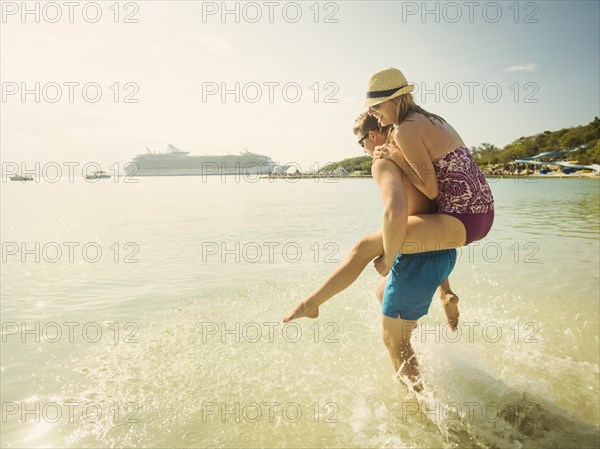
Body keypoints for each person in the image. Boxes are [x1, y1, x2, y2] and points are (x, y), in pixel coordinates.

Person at [283, 114, 458, 389]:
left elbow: (395, 211)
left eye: (361, 142)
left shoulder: (383, 160)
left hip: (417, 261)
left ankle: (423, 414)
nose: (363, 148)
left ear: (374, 135)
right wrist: (443, 285)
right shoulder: (411, 156)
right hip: (443, 254)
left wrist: (388, 256)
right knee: (382, 291)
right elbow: (429, 219)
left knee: (393, 341)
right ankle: (437, 302)